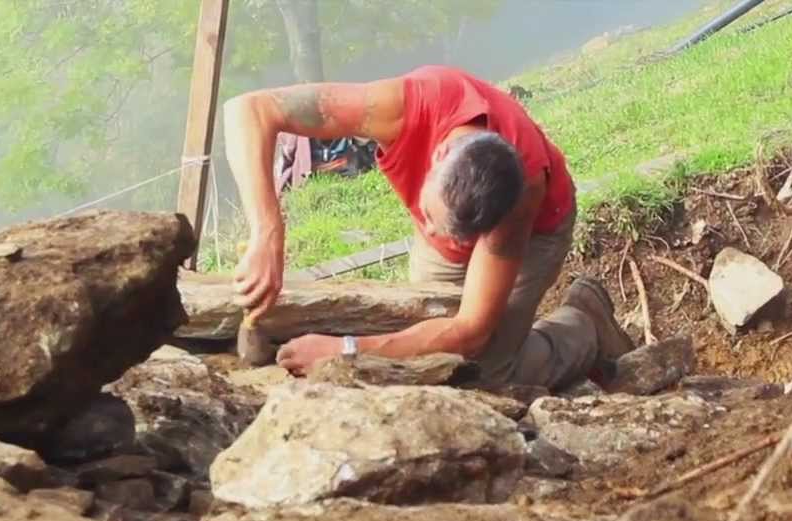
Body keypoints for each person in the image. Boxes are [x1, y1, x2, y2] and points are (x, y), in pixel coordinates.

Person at [222, 65, 635, 390]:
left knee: (483, 372)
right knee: (419, 335)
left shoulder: (522, 192)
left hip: (535, 233)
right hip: (474, 206)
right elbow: (250, 109)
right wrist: (267, 233)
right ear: (439, 154)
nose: (438, 238)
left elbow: (471, 330)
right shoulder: (402, 108)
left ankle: (582, 326)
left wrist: (345, 351)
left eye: (456, 235)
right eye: (433, 220)